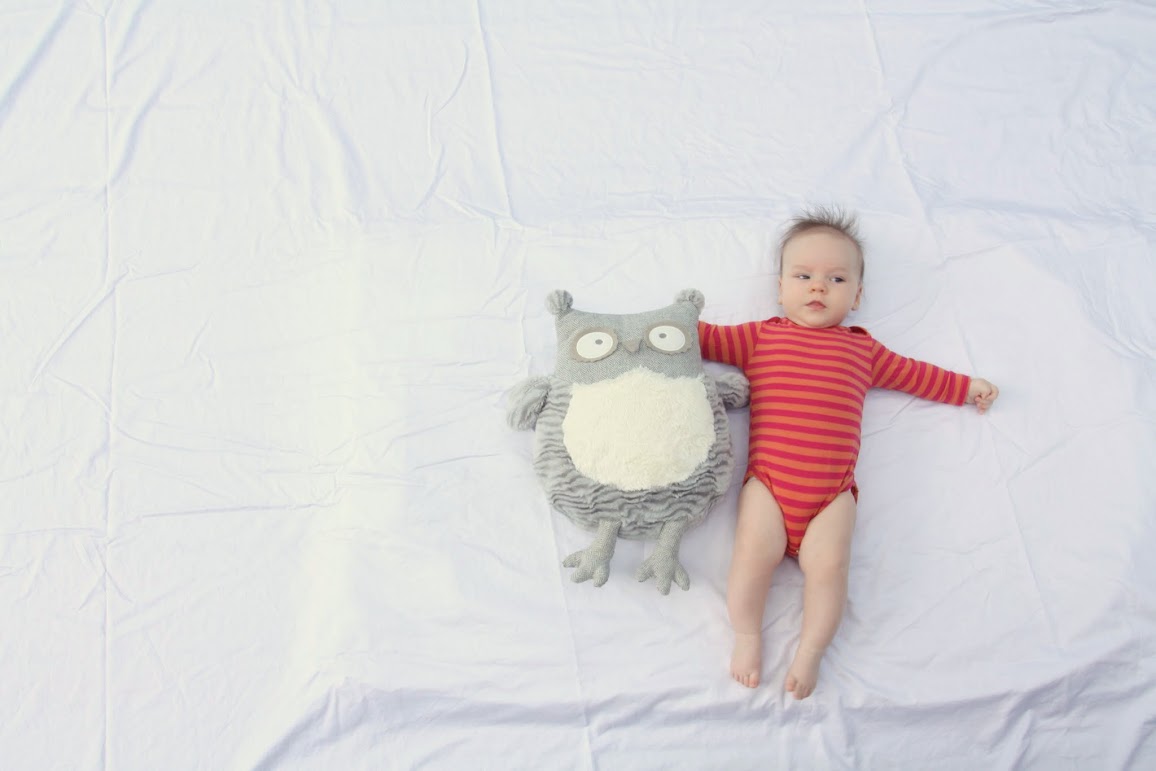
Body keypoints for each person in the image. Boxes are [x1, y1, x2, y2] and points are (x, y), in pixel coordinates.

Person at [698, 207, 999, 698]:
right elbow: (702, 338)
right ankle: (747, 636)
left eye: (836, 279)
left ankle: (811, 651)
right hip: (769, 486)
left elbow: (917, 375)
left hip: (831, 497)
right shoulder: (760, 337)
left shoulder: (864, 351)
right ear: (780, 289)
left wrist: (966, 388)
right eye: (803, 276)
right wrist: (655, 331)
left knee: (830, 570)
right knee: (751, 556)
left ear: (856, 296)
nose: (819, 286)